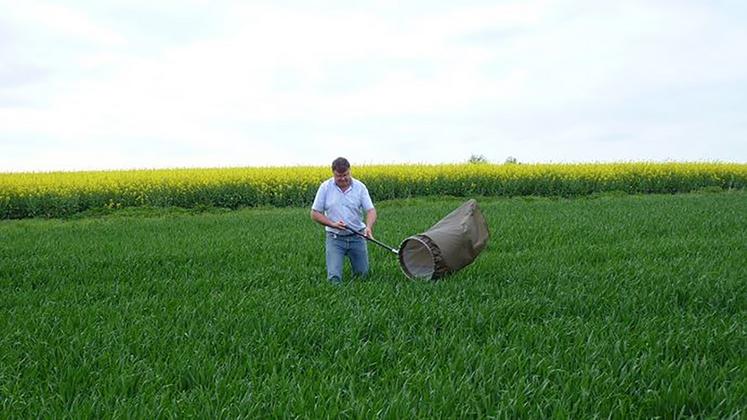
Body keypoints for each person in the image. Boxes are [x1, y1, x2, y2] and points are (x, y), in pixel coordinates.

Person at [311, 157, 377, 284]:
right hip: (335, 238)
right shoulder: (325, 187)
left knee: (363, 276)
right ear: (333, 174)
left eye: (345, 175)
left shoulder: (360, 187)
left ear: (350, 171)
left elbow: (371, 210)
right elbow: (314, 213)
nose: (342, 178)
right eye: (338, 176)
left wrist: (368, 227)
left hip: (357, 236)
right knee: (334, 279)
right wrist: (332, 224)